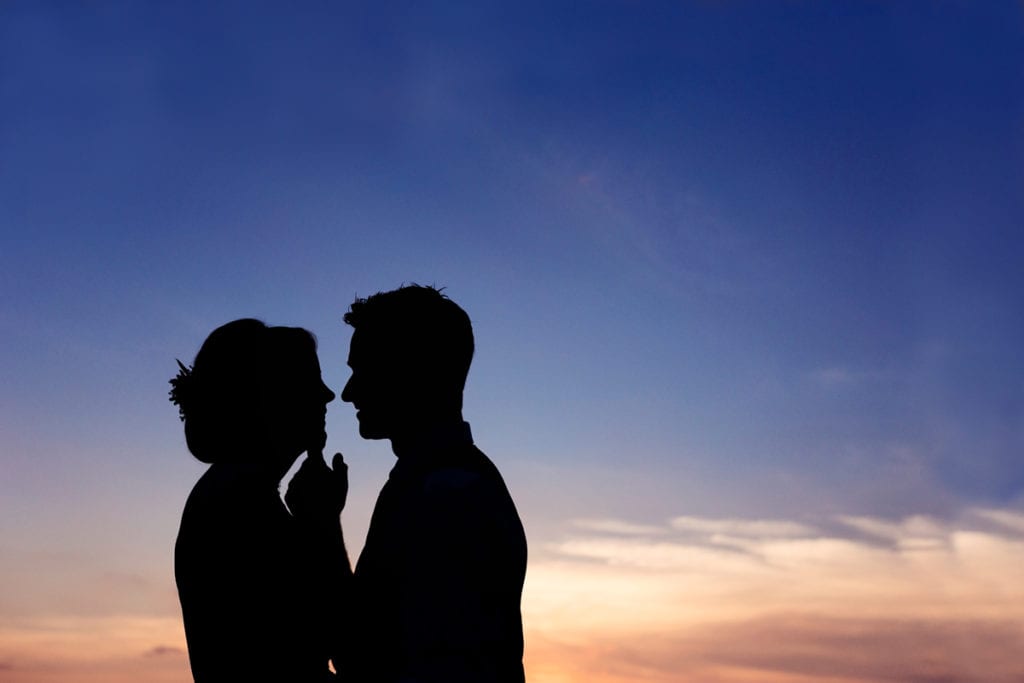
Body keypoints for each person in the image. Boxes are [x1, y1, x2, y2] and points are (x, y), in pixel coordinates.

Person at [324, 284, 527, 682]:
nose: (348, 393)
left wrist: (323, 525)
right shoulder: (445, 481)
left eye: (362, 370)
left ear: (410, 370)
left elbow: (365, 657)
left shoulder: (447, 497)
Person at [171, 318, 348, 682]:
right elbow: (345, 644)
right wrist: (325, 526)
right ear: (272, 396)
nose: (328, 395)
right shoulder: (239, 507)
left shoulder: (233, 494)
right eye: (311, 381)